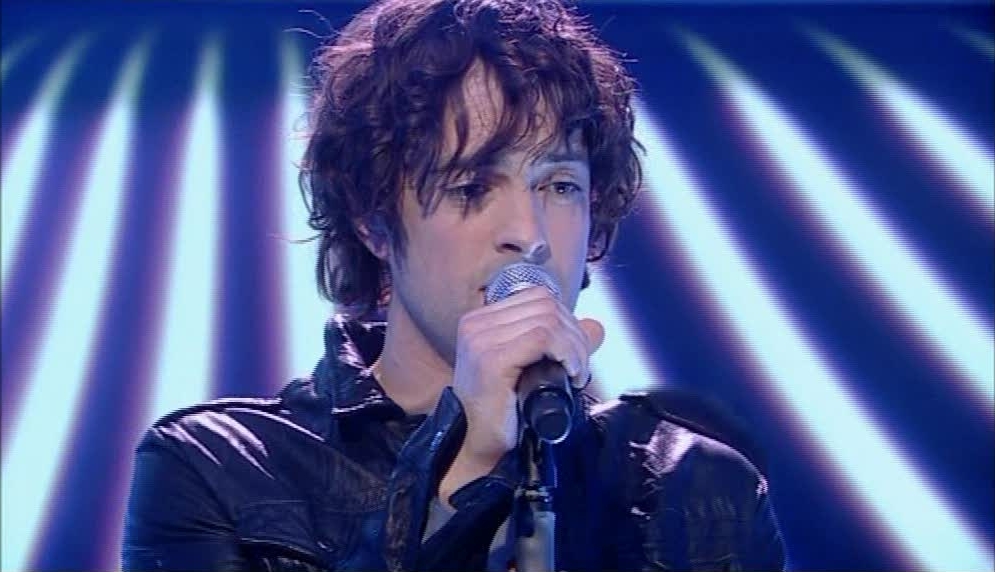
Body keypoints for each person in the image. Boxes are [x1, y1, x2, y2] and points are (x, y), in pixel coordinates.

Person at [122, 0, 786, 570]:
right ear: (373, 221)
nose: (528, 233)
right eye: (472, 186)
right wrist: (463, 471)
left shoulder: (699, 488)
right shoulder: (218, 469)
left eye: (559, 186)